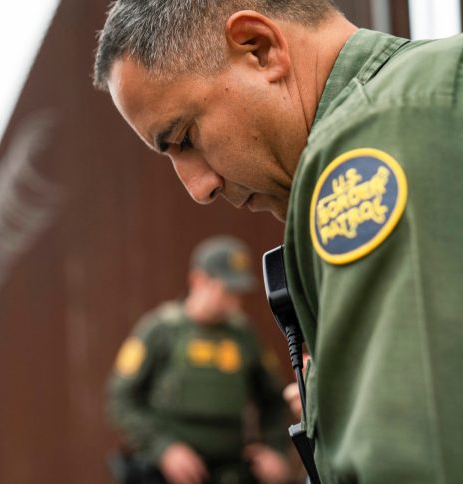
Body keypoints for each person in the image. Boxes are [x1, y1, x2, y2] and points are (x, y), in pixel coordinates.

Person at [93, 0, 463, 482]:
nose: (199, 189)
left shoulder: (374, 139)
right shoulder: (426, 94)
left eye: (184, 138)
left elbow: (414, 457)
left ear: (259, 48)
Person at [108, 236, 290, 484]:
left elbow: (274, 401)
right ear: (198, 280)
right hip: (168, 475)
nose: (234, 301)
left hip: (230, 473)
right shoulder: (160, 331)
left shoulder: (244, 335)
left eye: (239, 292)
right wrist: (164, 449)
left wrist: (275, 450)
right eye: (226, 290)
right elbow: (122, 399)